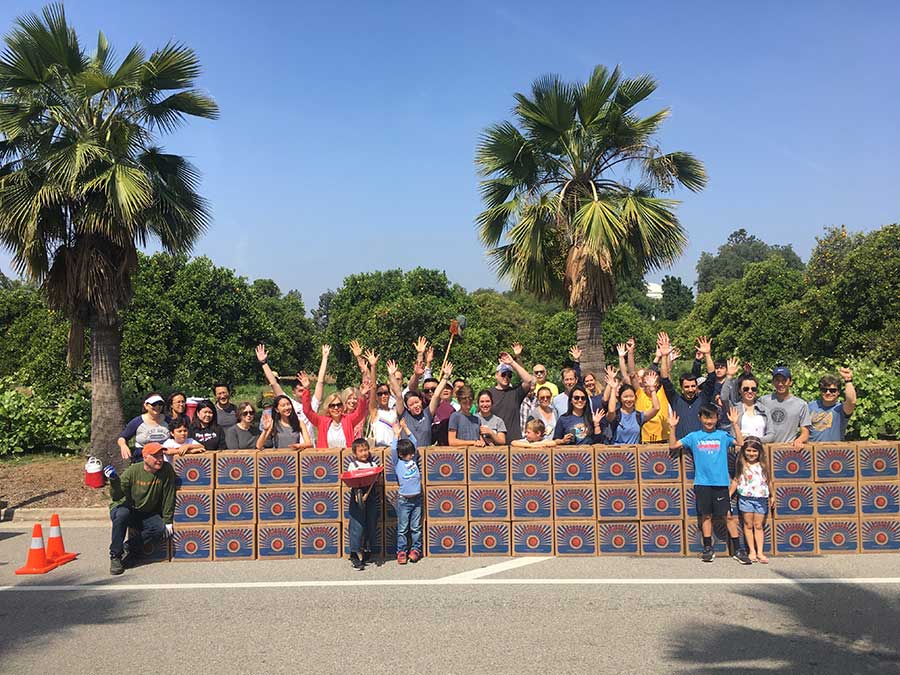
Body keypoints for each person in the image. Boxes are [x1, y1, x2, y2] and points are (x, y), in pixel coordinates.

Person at [668, 405, 751, 564]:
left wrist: (735, 423)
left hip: (721, 483)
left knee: (727, 516)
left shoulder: (722, 436)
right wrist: (672, 428)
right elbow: (673, 446)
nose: (709, 421)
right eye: (706, 417)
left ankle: (738, 549)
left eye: (712, 417)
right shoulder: (693, 437)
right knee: (706, 516)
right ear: (700, 418)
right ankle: (707, 548)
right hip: (702, 483)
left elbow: (740, 443)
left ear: (717, 418)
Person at [104, 442, 175, 575]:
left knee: (159, 529)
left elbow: (169, 495)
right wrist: (114, 481)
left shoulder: (167, 470)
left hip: (146, 511)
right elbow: (117, 496)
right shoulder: (133, 471)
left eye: (161, 455)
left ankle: (129, 546)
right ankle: (115, 556)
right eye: (155, 456)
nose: (160, 459)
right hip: (126, 507)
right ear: (145, 457)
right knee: (122, 514)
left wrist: (168, 520)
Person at [255, 343, 319, 443]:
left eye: (304, 390)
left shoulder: (313, 405)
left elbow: (320, 383)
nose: (302, 393)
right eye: (300, 390)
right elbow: (274, 383)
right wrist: (264, 363)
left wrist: (324, 357)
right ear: (293, 392)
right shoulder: (289, 404)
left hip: (308, 452)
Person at [658, 332, 717, 438]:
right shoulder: (675, 400)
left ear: (697, 386)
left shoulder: (703, 399)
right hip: (680, 447)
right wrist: (664, 356)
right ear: (681, 388)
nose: (690, 389)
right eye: (687, 387)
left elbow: (712, 377)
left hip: (700, 446)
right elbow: (665, 379)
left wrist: (707, 355)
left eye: (693, 386)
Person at [300, 371, 370, 448]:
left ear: (343, 406)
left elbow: (360, 412)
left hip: (346, 458)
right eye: (332, 406)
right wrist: (306, 389)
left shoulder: (349, 420)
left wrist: (362, 396)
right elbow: (307, 411)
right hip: (326, 458)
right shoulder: (321, 421)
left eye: (338, 405)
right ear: (328, 408)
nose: (336, 408)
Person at [731, 436, 771, 564]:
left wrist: (772, 495)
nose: (751, 454)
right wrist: (729, 494)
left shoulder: (763, 465)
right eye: (748, 450)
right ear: (744, 451)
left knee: (758, 526)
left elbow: (769, 481)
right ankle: (752, 551)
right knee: (748, 525)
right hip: (745, 499)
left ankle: (760, 552)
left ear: (759, 452)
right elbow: (735, 481)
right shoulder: (741, 464)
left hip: (761, 498)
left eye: (754, 451)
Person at [396, 362, 453, 447]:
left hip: (425, 456)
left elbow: (436, 395)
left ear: (421, 401)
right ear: (407, 407)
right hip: (407, 457)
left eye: (416, 402)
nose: (415, 405)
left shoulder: (427, 414)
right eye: (411, 404)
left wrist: (446, 376)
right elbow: (398, 395)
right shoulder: (404, 415)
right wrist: (391, 375)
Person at [346, 437, 380, 570]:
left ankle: (367, 550)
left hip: (370, 495)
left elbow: (375, 478)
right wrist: (358, 495)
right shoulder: (353, 465)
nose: (364, 453)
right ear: (355, 454)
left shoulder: (373, 464)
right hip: (357, 495)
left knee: (370, 523)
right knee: (357, 525)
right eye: (361, 451)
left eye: (366, 450)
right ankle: (355, 554)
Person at [757, 365, 812, 448]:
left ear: (790, 382)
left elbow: (805, 432)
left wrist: (799, 440)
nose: (780, 384)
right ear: (773, 382)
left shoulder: (801, 404)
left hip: (787, 450)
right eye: (777, 380)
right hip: (765, 448)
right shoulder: (763, 401)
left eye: (784, 380)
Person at [390, 420, 421, 564]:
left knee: (416, 527)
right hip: (404, 500)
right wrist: (396, 434)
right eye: (408, 454)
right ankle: (401, 551)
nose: (411, 455)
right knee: (402, 528)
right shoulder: (398, 463)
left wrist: (406, 428)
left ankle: (415, 549)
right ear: (402, 454)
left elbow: (414, 441)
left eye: (411, 453)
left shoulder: (413, 459)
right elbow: (392, 449)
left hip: (417, 499)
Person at [489, 343, 534, 441]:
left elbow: (528, 380)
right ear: (497, 375)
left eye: (509, 375)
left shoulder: (515, 393)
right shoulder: (488, 394)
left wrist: (512, 362)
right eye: (504, 374)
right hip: (494, 442)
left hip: (514, 441)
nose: (506, 377)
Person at [720, 359, 770, 440]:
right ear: (740, 390)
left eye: (753, 389)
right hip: (740, 450)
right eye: (746, 389)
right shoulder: (734, 409)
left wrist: (753, 441)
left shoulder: (764, 409)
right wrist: (729, 376)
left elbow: (771, 434)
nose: (750, 391)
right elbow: (724, 397)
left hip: (759, 450)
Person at [607, 371, 661, 445]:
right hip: (617, 454)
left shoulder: (639, 416)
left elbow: (656, 408)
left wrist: (652, 389)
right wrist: (613, 389)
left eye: (631, 396)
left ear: (635, 398)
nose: (629, 399)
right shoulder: (616, 415)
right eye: (625, 397)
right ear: (620, 398)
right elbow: (611, 410)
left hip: (634, 454)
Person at [117, 393, 171, 464]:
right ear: (146, 405)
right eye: (154, 404)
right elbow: (122, 438)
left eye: (160, 404)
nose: (157, 406)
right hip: (143, 458)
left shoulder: (168, 421)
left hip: (165, 458)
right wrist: (123, 445)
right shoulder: (137, 421)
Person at [808, 368, 856, 442]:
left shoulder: (841, 409)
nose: (828, 393)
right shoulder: (810, 406)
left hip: (834, 451)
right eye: (824, 390)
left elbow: (852, 401)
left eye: (832, 390)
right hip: (812, 451)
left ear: (838, 392)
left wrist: (848, 380)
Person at [552, 346, 584, 416]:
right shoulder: (556, 400)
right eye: (566, 380)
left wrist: (576, 361)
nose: (569, 382)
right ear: (563, 381)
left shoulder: (583, 398)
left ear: (576, 380)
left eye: (571, 379)